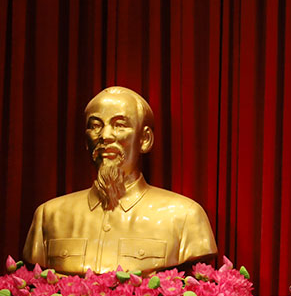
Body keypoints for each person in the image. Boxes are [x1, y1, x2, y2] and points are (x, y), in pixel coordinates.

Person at [22, 86, 217, 274]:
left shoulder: (184, 217)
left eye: (119, 125)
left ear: (145, 139)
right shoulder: (49, 216)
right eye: (95, 126)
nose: (105, 136)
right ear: (86, 140)